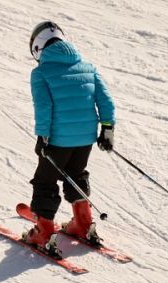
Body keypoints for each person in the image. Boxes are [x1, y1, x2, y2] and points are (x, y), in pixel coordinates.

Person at [22, 21, 116, 253]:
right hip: (85, 139)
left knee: (45, 181)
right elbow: (106, 101)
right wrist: (107, 128)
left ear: (38, 48)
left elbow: (43, 107)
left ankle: (44, 233)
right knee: (76, 174)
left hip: (57, 140)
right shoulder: (87, 67)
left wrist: (42, 137)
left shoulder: (41, 73)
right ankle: (82, 223)